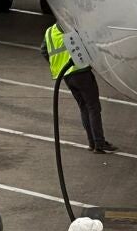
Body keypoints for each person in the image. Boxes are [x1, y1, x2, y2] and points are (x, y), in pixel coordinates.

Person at [41, 19, 118, 154]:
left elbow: (43, 51)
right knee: (93, 107)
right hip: (81, 73)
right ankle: (99, 143)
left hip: (65, 76)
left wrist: (58, 64)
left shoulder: (49, 32)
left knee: (83, 107)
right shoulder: (72, 29)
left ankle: (92, 142)